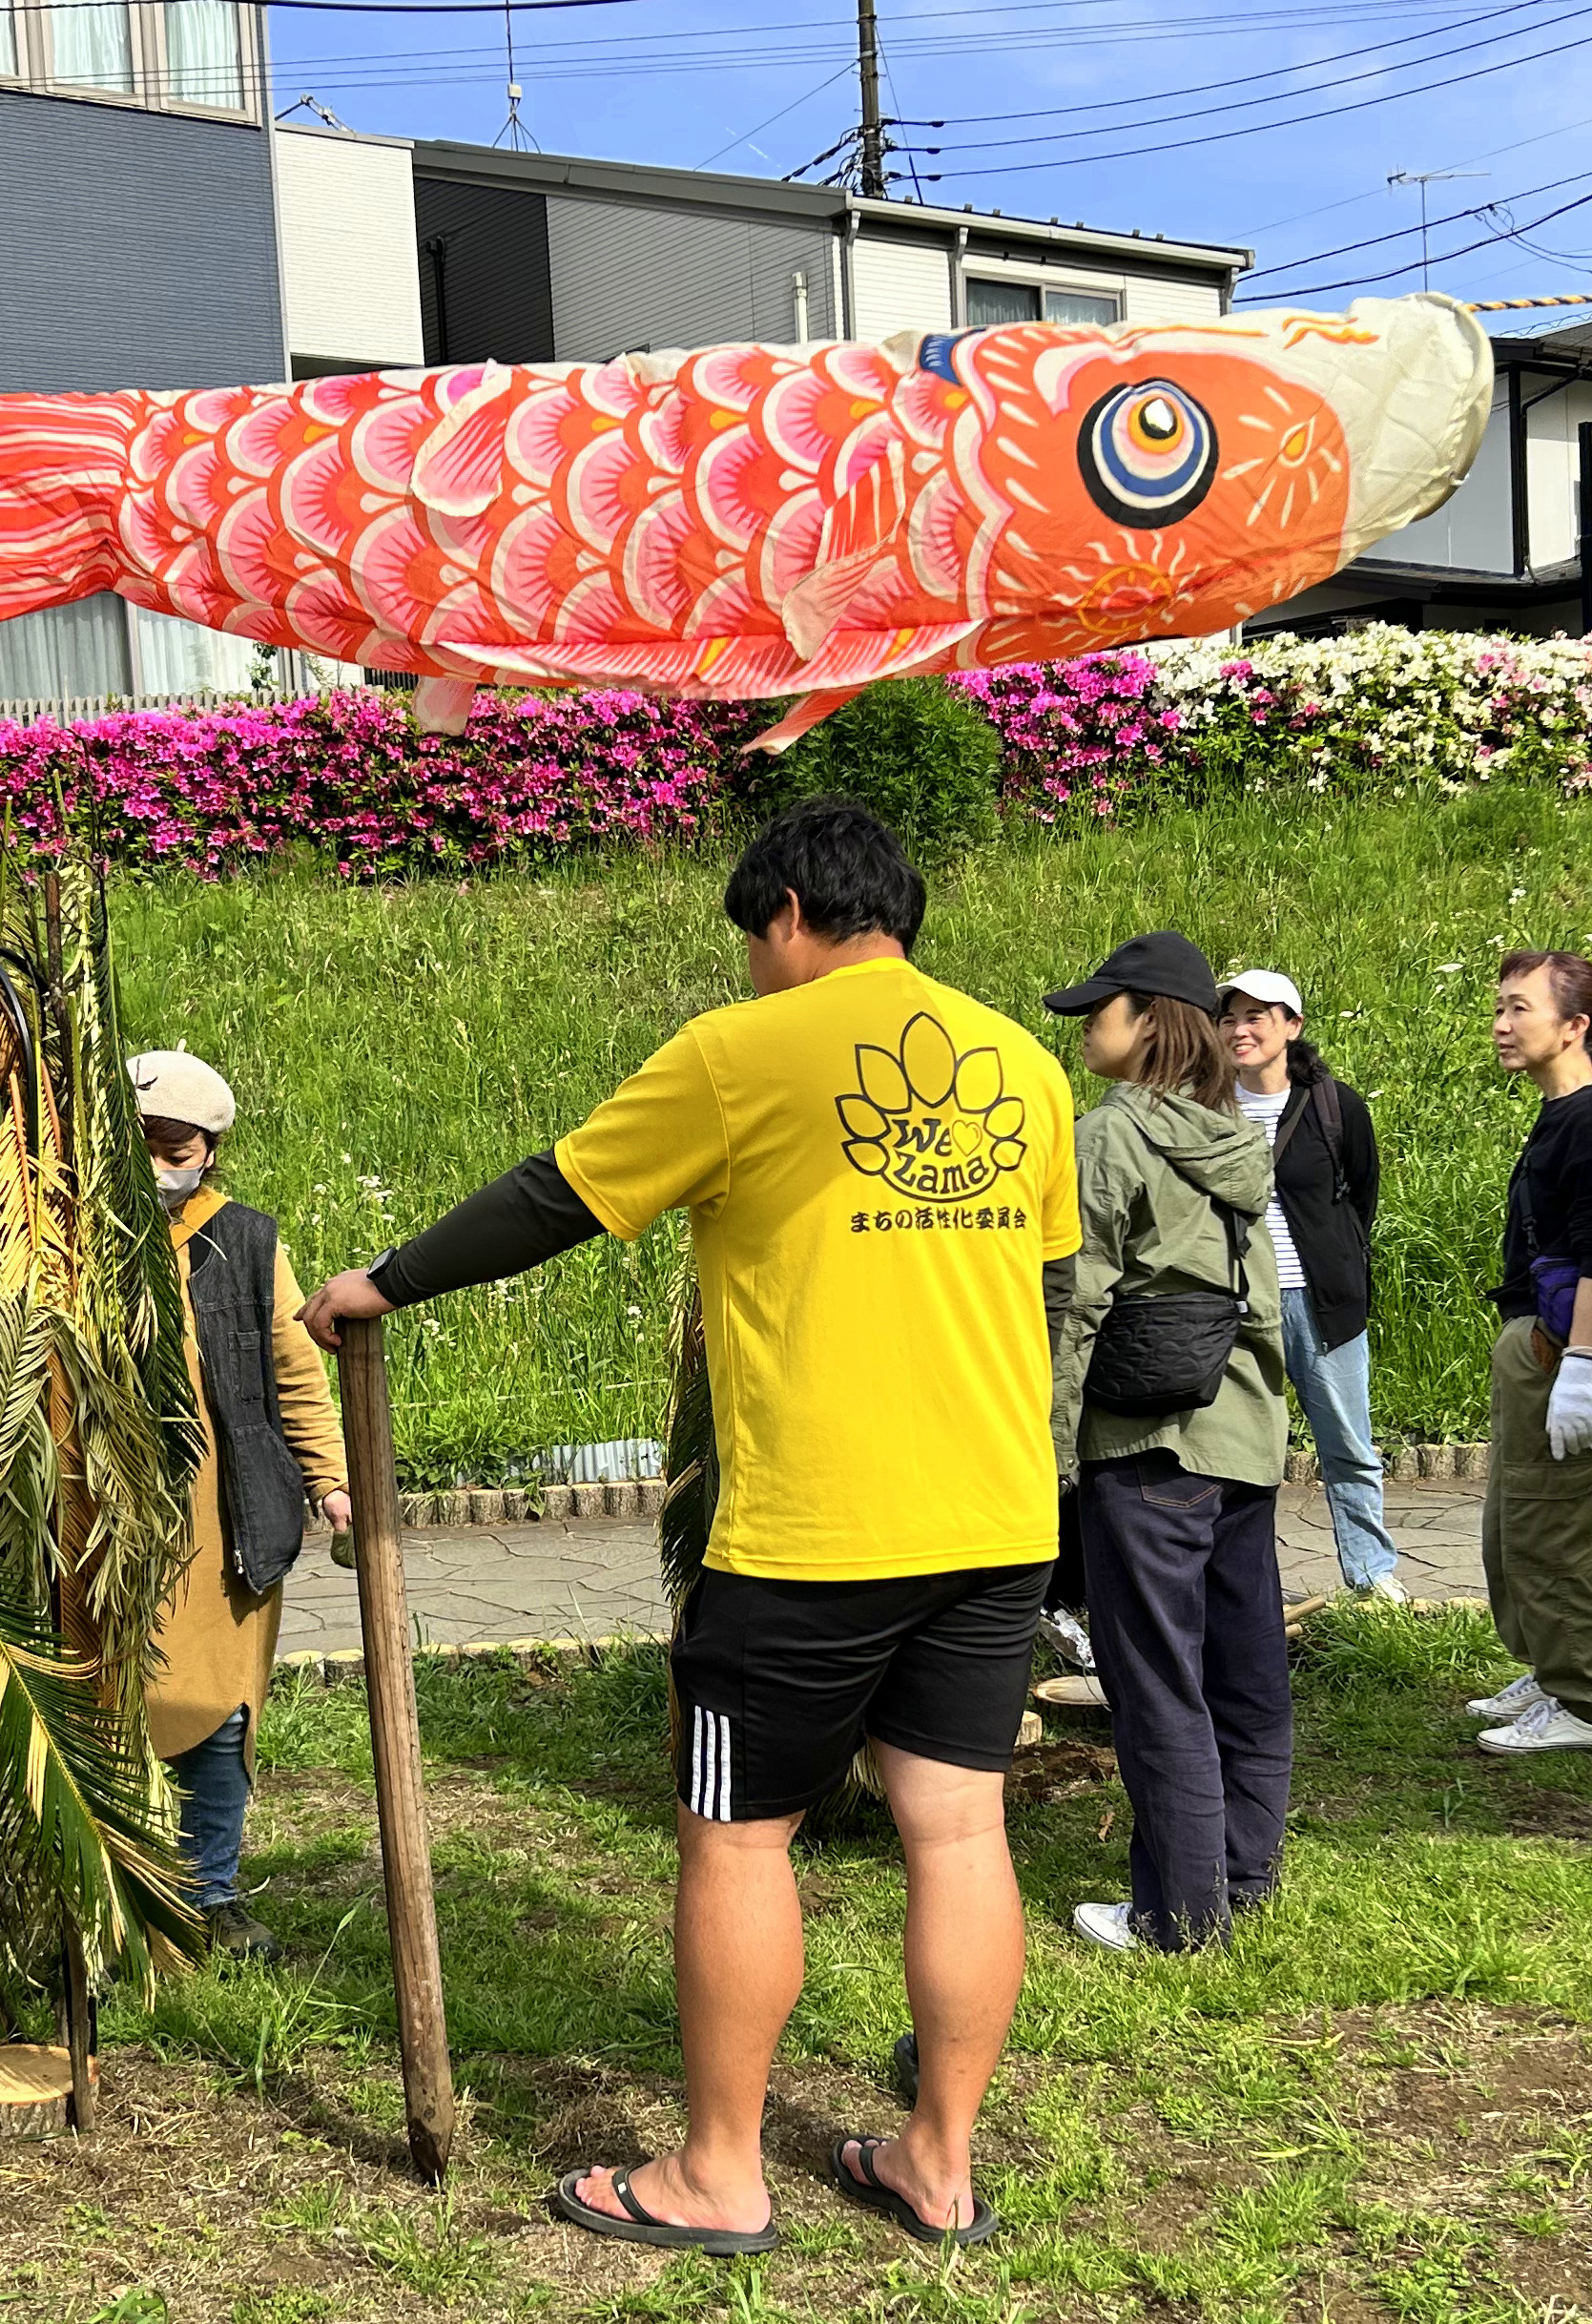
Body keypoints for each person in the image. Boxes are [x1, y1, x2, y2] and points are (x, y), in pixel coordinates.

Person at [300, 798, 1076, 2254]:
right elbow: (1035, 1281)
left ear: (787, 914)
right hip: (995, 1517)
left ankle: (721, 2173)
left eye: (752, 942)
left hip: (811, 1536)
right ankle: (937, 2159)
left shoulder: (742, 1052)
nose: (750, 969)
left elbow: (559, 1195)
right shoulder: (1022, 1066)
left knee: (735, 1840)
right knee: (960, 1827)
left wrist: (383, 1282)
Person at [1045, 934, 1292, 1956]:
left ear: (1148, 1020)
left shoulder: (1111, 1136)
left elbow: (1074, 1306)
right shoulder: (1232, 1137)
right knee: (1244, 1674)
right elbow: (1263, 1304)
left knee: (1156, 1683)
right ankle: (1242, 1878)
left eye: (1097, 1010)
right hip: (1244, 1436)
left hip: (1146, 1443)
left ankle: (1179, 1917)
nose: (1082, 1030)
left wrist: (1047, 1449)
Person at [131, 1048, 352, 1964]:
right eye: (136, 1147)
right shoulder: (61, 1243)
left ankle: (209, 1894)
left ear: (208, 1151)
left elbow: (294, 1373)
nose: (155, 1167)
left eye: (172, 1150)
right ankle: (111, 1898)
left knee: (220, 1716)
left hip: (220, 1523)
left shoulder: (246, 1242)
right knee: (105, 1709)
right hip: (96, 1523)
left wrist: (331, 1482)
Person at [1469, 950, 1592, 1756]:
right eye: (1498, 1009)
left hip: (1563, 1345)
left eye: (1519, 1008)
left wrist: (1578, 1363)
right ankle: (1549, 1671)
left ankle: (1581, 1705)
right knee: (1514, 1517)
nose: (1502, 1025)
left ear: (1574, 1025)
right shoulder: (1560, 1111)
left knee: (1552, 1524)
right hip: (1538, 1340)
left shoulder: (1591, 1117)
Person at [1218, 968, 1399, 1601]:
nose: (1239, 1030)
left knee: (1347, 1444)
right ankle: (1238, 1587)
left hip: (1320, 1303)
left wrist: (1338, 1265)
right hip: (1236, 1305)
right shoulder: (1207, 1108)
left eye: (1255, 1017)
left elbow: (1359, 1195)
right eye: (1229, 1018)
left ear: (1292, 1026)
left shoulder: (1334, 1105)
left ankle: (1371, 1575)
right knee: (1236, 1450)